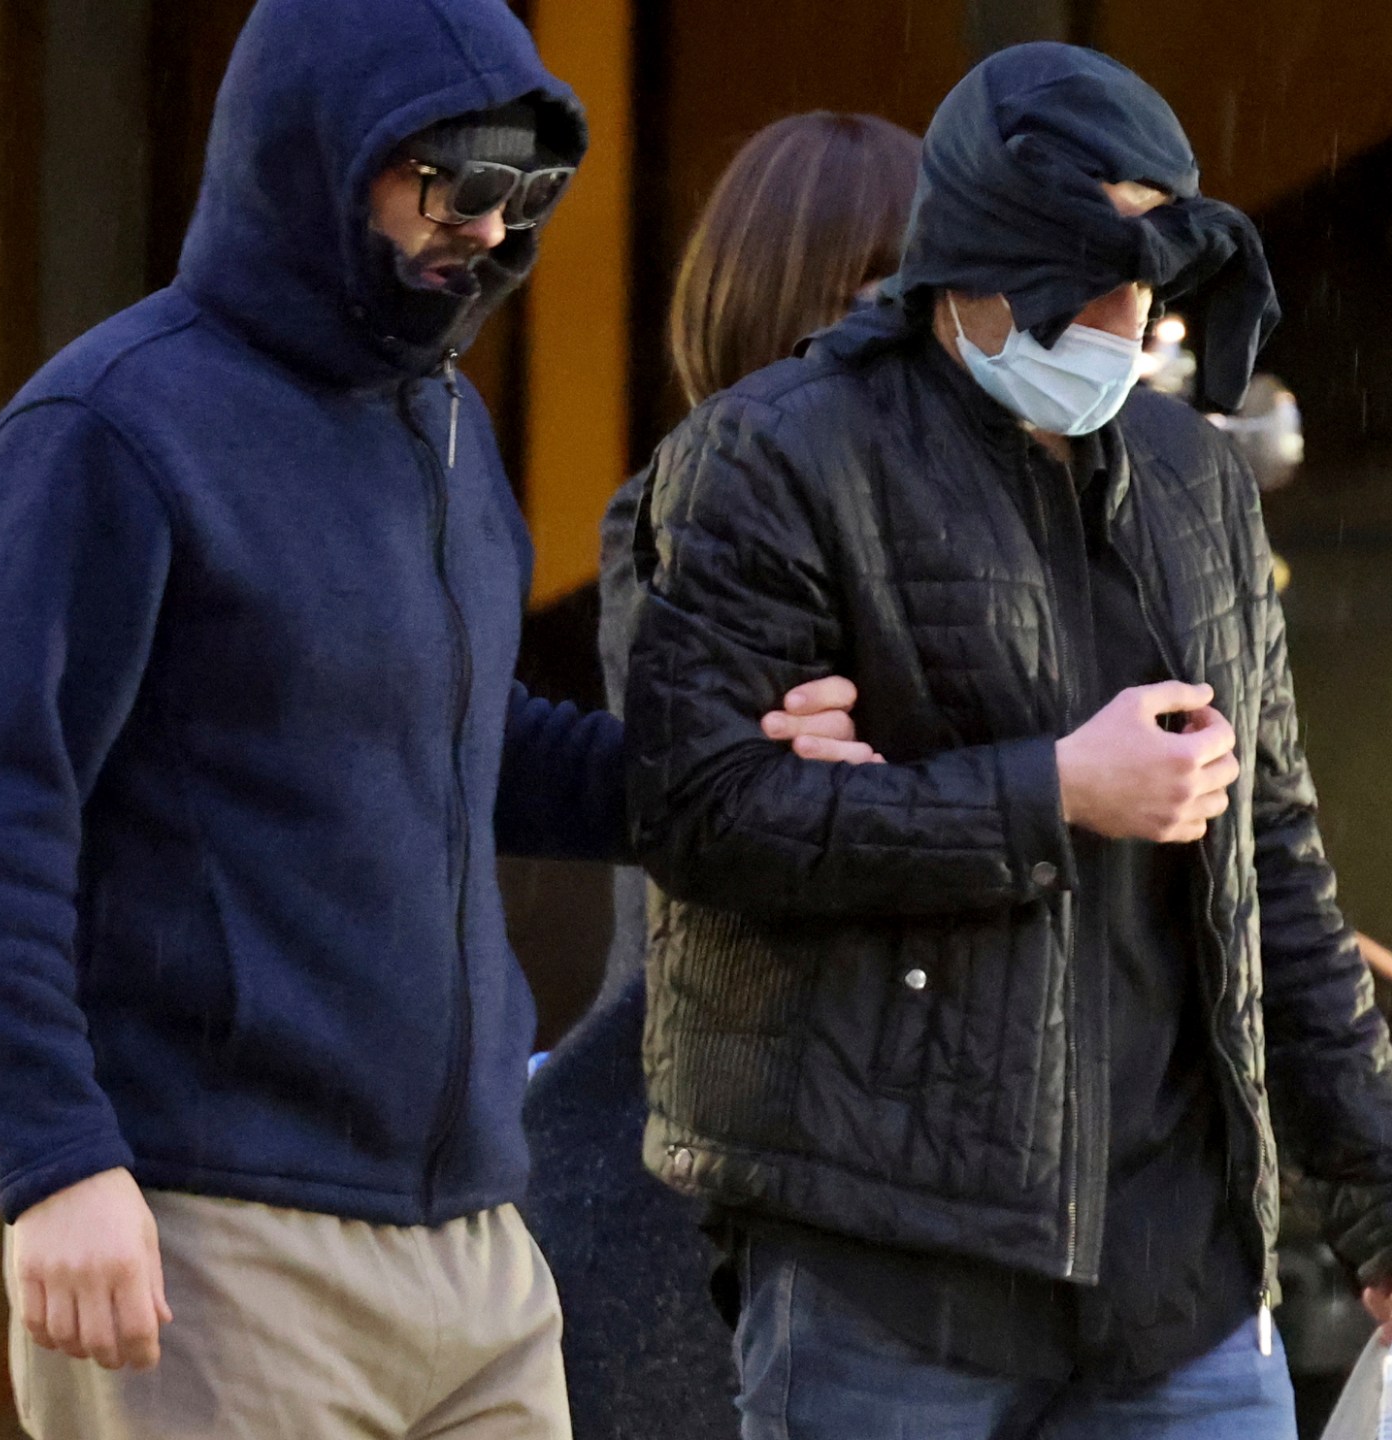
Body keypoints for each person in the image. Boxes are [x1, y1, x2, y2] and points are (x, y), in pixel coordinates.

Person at [0, 0, 861, 1434]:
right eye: (452, 181)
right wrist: (56, 1165)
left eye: (525, 194)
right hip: (216, 1244)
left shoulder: (444, 432)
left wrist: (725, 771)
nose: (490, 229)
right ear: (320, 156)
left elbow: (481, 749)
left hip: (476, 1253)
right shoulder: (109, 429)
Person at [623, 44, 1392, 1440]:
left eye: (1149, 281)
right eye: (1083, 275)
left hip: (1177, 1281)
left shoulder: (1197, 479)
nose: (1121, 318)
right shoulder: (777, 455)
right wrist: (1053, 790)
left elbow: (1274, 856)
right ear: (971, 257)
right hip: (889, 1272)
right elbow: (700, 817)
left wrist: (1383, 1187)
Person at [521, 111, 919, 1440]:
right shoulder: (682, 511)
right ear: (774, 308)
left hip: (895, 1207)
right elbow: (781, 796)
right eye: (874, 296)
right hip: (673, 1206)